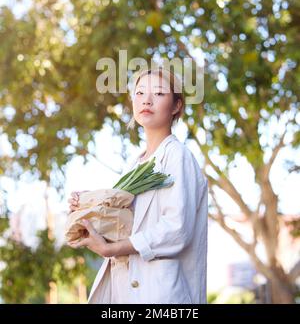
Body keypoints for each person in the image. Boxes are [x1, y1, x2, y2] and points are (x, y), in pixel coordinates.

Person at [68, 67, 208, 304]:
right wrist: (89, 205)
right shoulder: (135, 164)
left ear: (176, 106)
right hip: (125, 294)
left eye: (159, 93)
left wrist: (113, 249)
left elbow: (176, 229)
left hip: (161, 295)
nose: (147, 100)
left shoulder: (177, 156)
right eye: (140, 92)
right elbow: (126, 224)